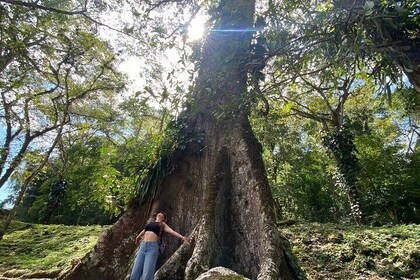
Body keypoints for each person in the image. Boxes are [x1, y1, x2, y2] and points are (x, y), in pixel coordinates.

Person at [129, 212, 188, 280]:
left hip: (152, 248)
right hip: (142, 246)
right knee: (135, 271)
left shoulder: (162, 224)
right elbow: (144, 231)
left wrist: (182, 237)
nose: (160, 213)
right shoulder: (150, 223)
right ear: (156, 215)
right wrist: (137, 237)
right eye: (159, 213)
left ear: (164, 219)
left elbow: (172, 231)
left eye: (162, 214)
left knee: (147, 273)